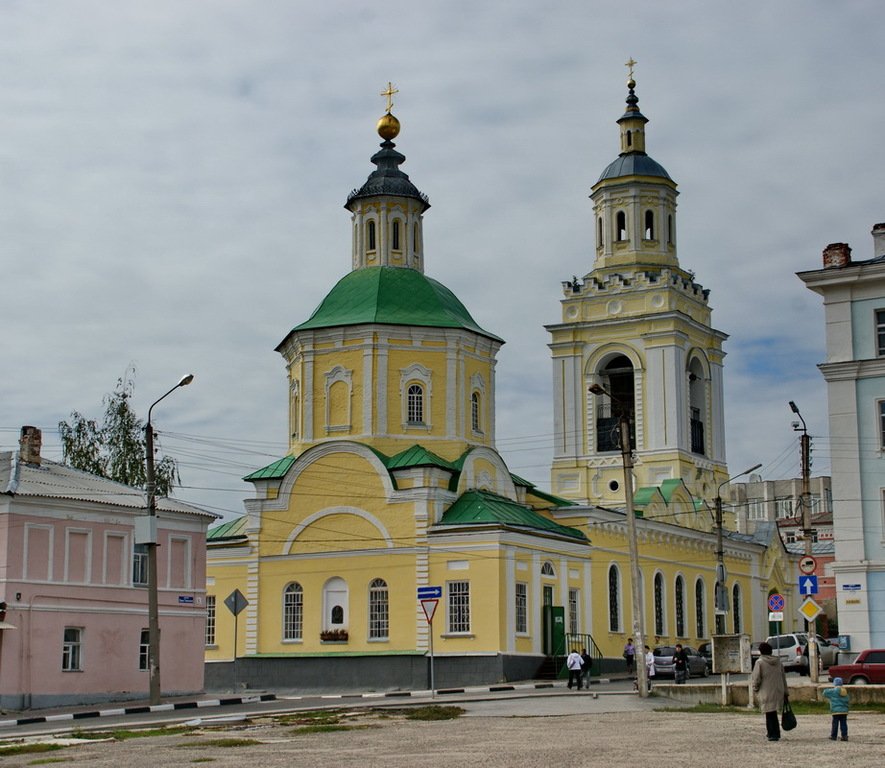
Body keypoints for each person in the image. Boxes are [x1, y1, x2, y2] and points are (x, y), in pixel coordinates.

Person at [751, 641, 788, 741]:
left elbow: (756, 678)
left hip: (766, 691)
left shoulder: (760, 662)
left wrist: (755, 688)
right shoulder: (778, 662)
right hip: (778, 690)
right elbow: (783, 677)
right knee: (774, 712)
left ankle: (772, 733)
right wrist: (785, 691)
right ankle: (776, 732)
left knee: (769, 713)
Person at [822, 676, 849, 741]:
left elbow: (824, 693)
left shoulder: (834, 691)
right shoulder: (845, 691)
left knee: (835, 724)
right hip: (844, 711)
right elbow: (847, 700)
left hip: (836, 711)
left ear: (835, 683)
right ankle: (844, 736)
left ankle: (833, 736)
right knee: (843, 723)